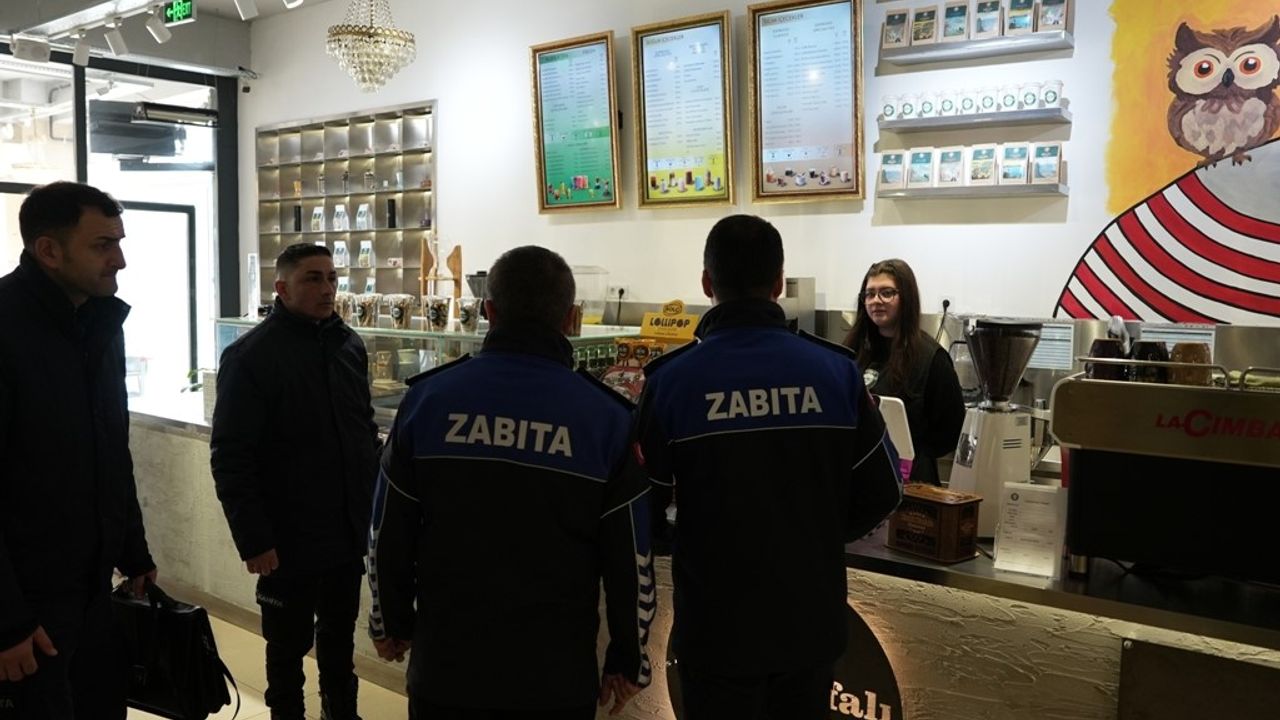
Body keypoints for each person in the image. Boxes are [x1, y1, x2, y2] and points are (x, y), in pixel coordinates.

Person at [636, 214, 902, 720]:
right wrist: (819, 536)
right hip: (809, 625)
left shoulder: (672, 382)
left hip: (716, 628)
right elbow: (885, 489)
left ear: (707, 283)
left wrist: (684, 540)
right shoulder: (835, 373)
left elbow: (642, 507)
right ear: (779, 283)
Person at [369, 246, 653, 719]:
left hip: (447, 666)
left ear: (488, 311)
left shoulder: (429, 401)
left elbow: (387, 530)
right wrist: (628, 659)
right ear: (571, 318)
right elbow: (630, 555)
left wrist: (391, 622)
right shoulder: (605, 418)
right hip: (555, 676)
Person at [0, 181, 157, 718]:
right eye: (103, 245)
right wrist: (7, 623)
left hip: (91, 591)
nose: (120, 260)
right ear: (49, 250)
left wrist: (133, 549)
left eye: (119, 242)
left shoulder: (98, 321)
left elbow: (111, 449)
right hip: (26, 606)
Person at [210, 243, 379, 720]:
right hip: (286, 537)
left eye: (331, 278)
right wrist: (254, 539)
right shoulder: (251, 356)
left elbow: (361, 428)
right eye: (312, 278)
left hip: (345, 531)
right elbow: (231, 456)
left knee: (339, 642)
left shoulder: (349, 345)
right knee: (286, 648)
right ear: (282, 288)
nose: (327, 288)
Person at [843, 259, 965, 486]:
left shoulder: (931, 358)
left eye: (886, 293)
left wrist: (912, 455)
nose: (876, 300)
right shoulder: (853, 351)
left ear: (906, 298)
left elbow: (951, 431)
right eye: (869, 294)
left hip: (913, 482)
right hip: (860, 476)